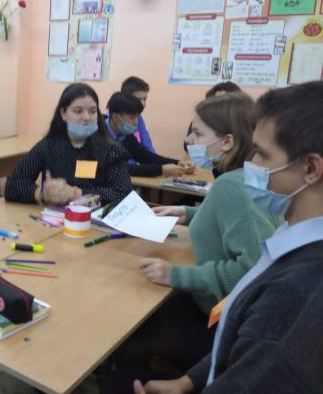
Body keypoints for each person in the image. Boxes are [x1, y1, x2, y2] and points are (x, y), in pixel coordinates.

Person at [131, 80, 323, 394]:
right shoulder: (293, 234)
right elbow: (240, 333)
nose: (252, 164)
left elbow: (251, 363)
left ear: (311, 169)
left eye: (262, 154)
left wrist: (177, 275)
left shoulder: (295, 290)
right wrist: (186, 381)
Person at [98, 92, 282, 394]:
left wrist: (177, 275)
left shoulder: (230, 186)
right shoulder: (246, 178)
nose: (188, 140)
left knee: (132, 323)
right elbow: (242, 221)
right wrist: (190, 212)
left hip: (220, 322)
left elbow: (252, 270)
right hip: (231, 315)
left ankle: (127, 378)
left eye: (197, 133)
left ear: (227, 142)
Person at [5, 82, 133, 206]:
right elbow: (12, 185)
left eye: (92, 111)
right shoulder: (49, 145)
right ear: (63, 113)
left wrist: (76, 193)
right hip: (55, 217)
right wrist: (43, 194)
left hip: (96, 218)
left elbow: (124, 194)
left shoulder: (111, 150)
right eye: (78, 111)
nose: (87, 117)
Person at [104, 91, 194, 177]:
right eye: (132, 118)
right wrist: (161, 170)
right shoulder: (98, 135)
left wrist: (177, 163)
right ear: (116, 117)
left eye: (137, 117)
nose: (136, 122)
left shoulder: (126, 135)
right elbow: (117, 169)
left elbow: (145, 156)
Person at [184, 82, 240, 152]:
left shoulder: (240, 128)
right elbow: (186, 146)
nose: (215, 106)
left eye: (222, 102)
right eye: (213, 101)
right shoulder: (200, 123)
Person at [120, 76, 155, 156]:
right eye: (138, 99)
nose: (143, 104)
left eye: (145, 99)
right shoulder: (114, 118)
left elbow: (147, 144)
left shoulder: (138, 116)